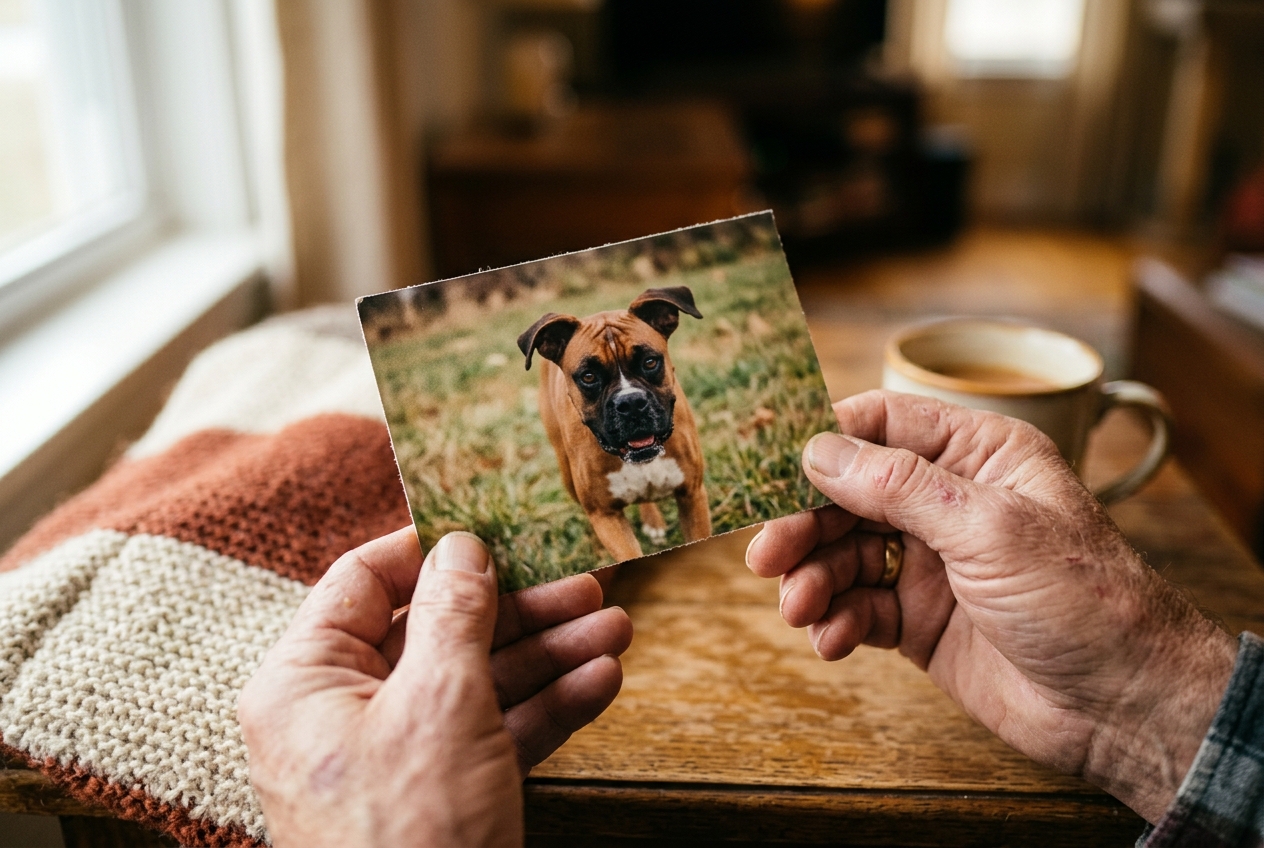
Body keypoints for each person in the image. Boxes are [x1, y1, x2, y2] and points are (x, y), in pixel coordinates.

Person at [239, 390, 1263, 848]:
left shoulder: (677, 425)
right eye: (598, 380)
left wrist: (1143, 701)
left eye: (644, 372)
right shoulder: (565, 439)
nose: (629, 396)